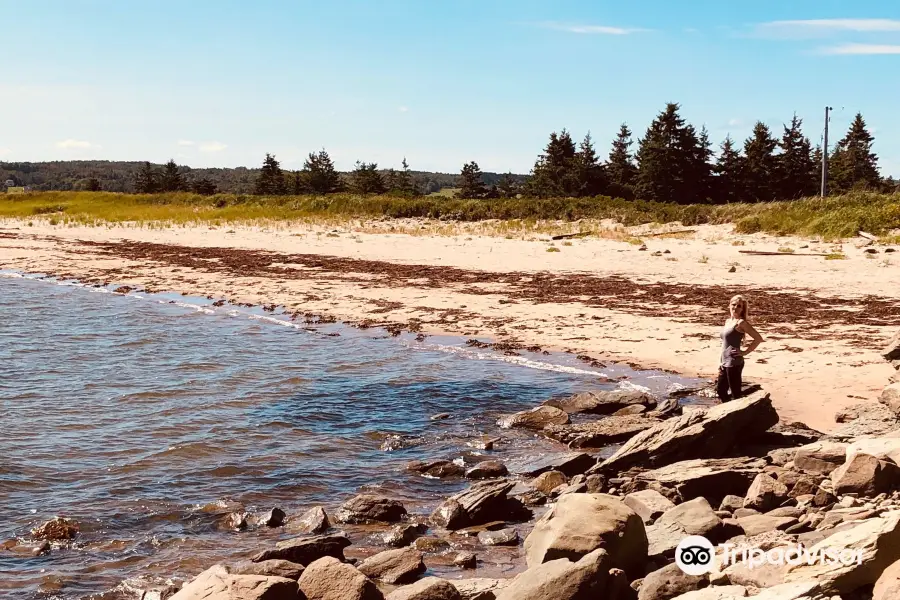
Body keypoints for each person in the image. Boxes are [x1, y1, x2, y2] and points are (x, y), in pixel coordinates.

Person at [717, 294, 763, 402]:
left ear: (742, 309)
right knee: (721, 391)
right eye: (733, 305)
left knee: (736, 394)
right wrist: (720, 362)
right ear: (729, 305)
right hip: (725, 361)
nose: (735, 308)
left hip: (734, 362)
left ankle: (740, 415)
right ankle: (729, 412)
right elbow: (725, 343)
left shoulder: (741, 323)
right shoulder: (728, 322)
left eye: (739, 306)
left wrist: (744, 352)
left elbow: (758, 338)